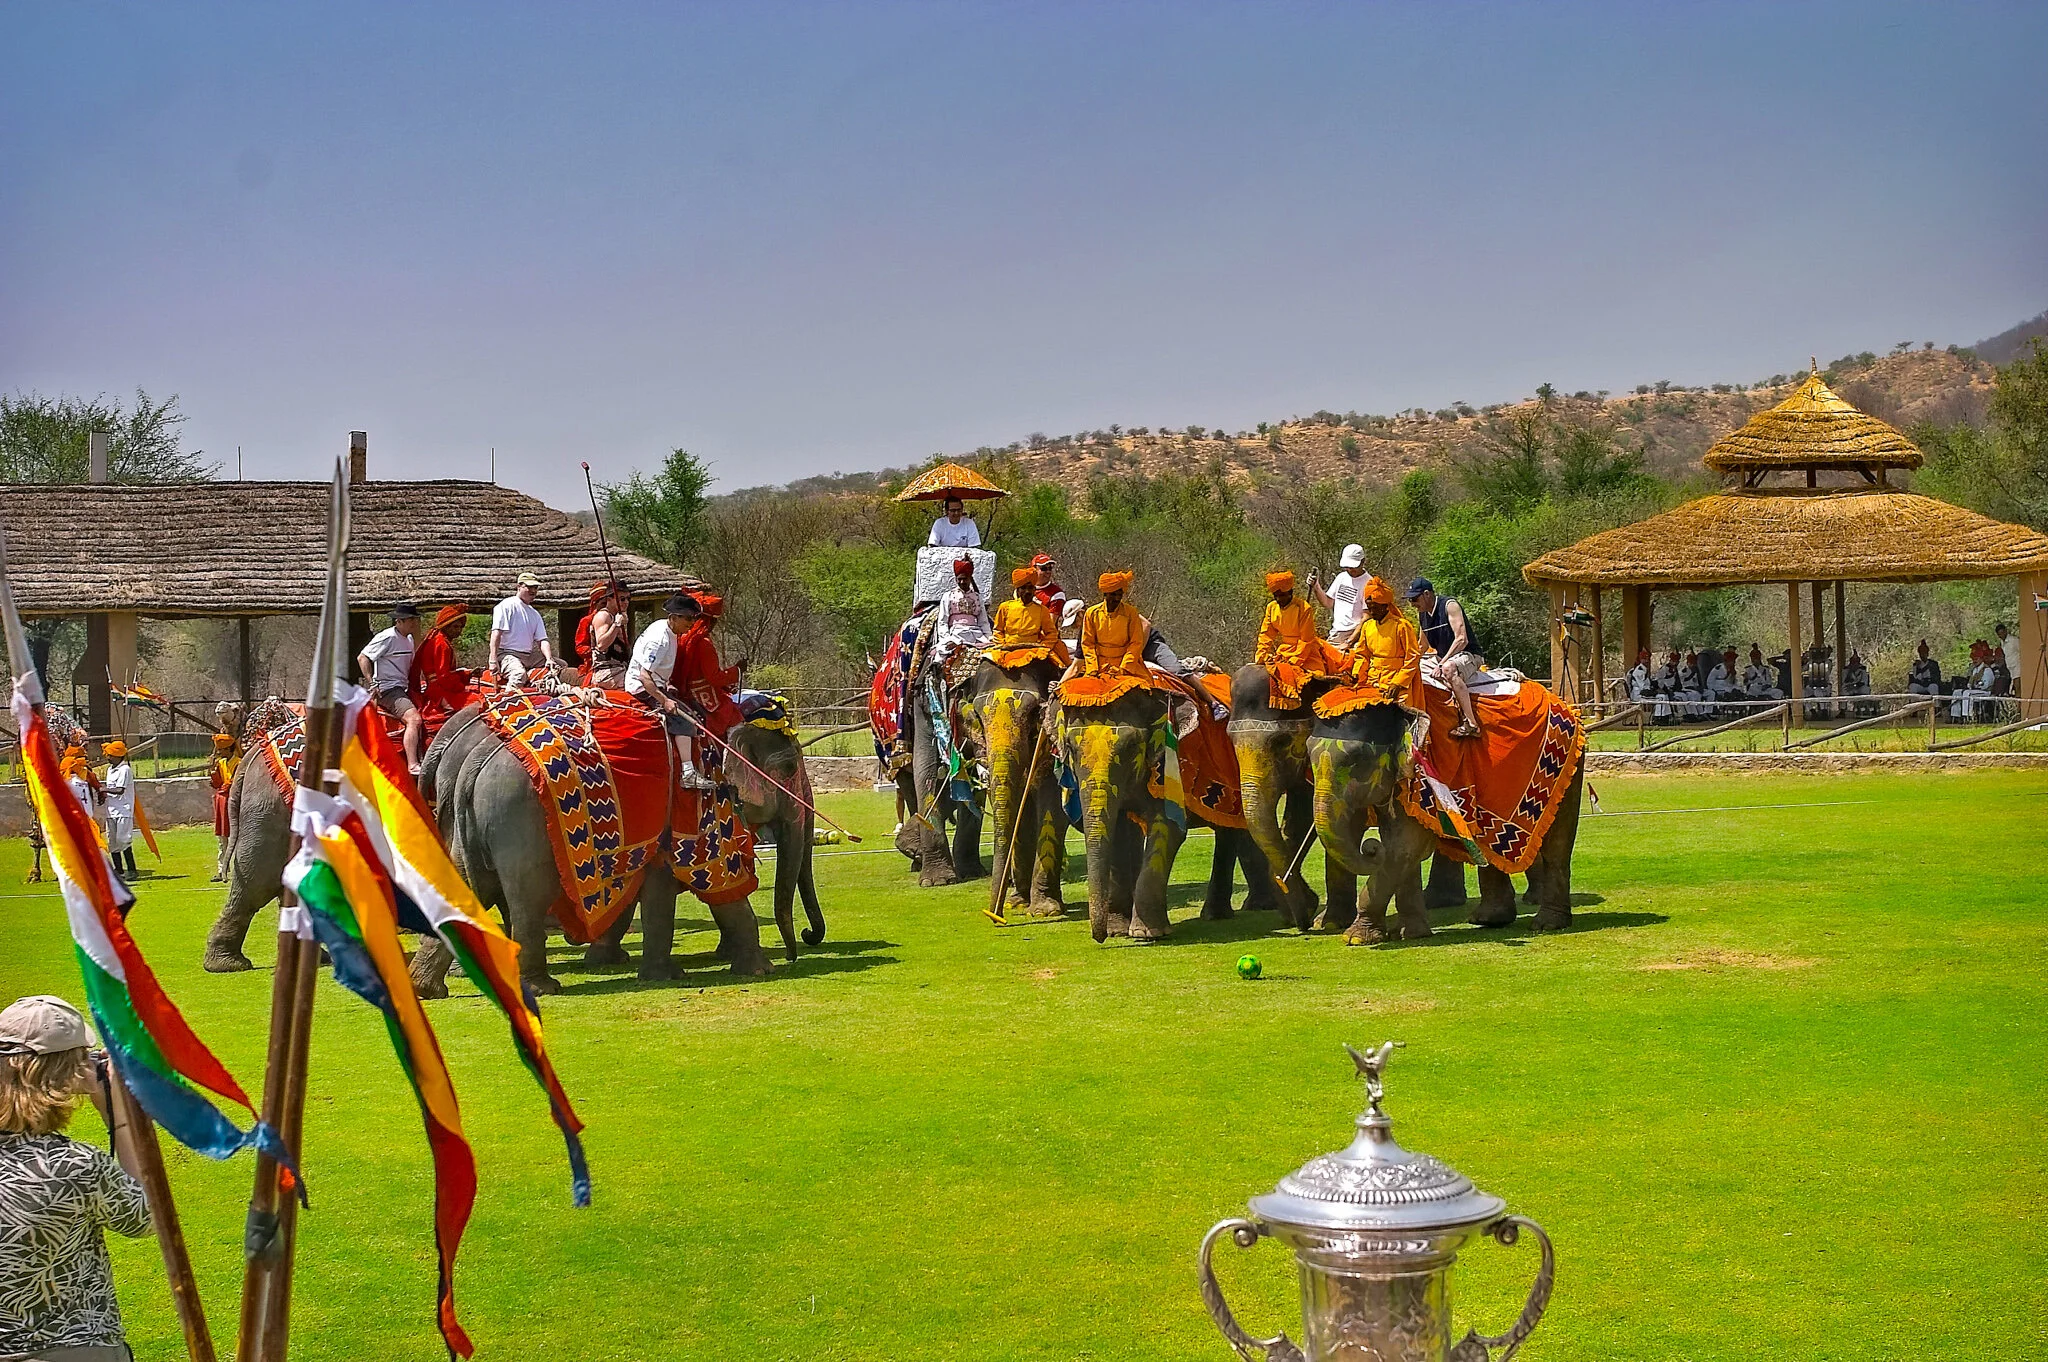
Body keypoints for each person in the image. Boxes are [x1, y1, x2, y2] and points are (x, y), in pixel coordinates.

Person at [0, 994, 153, 1362]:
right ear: (68, 1073)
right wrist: (116, 1111)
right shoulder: (74, 1166)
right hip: (73, 1347)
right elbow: (147, 1217)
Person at [628, 593, 717, 791]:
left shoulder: (669, 631)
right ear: (674, 617)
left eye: (694, 618)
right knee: (682, 719)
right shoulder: (660, 640)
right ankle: (688, 773)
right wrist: (664, 700)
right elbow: (644, 676)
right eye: (687, 618)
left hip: (657, 682)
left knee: (693, 710)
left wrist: (666, 685)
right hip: (642, 686)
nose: (691, 623)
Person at [1406, 578, 1482, 739]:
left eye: (1414, 599)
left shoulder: (1450, 606)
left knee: (1448, 669)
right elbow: (1422, 646)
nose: (1412, 604)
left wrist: (1441, 664)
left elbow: (1462, 639)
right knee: (1413, 670)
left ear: (1427, 594)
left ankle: (1472, 723)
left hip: (1468, 654)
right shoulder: (1422, 615)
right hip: (1441, 657)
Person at [1256, 570, 1341, 707]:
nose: (1279, 599)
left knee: (1317, 677)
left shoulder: (1304, 608)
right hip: (1284, 649)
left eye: (1282, 595)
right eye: (1276, 596)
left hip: (1307, 652)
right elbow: (1266, 634)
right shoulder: (1271, 608)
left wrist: (1295, 660)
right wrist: (1261, 653)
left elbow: (1306, 640)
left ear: (1290, 592)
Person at [358, 603, 425, 774]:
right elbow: (363, 657)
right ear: (399, 621)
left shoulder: (408, 639)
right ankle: (412, 764)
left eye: (415, 619)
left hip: (404, 687)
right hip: (389, 689)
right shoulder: (387, 637)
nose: (414, 623)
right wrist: (372, 682)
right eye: (411, 620)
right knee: (414, 719)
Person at [1345, 577, 1421, 708]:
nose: (1372, 612)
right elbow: (1362, 655)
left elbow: (1413, 657)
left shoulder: (1402, 626)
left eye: (1375, 607)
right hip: (1372, 679)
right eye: (1369, 608)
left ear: (1386, 606)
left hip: (1397, 682)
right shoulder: (1367, 626)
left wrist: (1398, 683)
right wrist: (1357, 673)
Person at [986, 567, 1070, 667]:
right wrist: (1002, 644)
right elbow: (998, 630)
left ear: (1034, 590)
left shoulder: (1042, 610)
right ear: (1018, 590)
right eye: (1023, 588)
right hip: (1007, 648)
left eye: (1030, 588)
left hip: (1034, 648)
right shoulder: (1005, 607)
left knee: (1059, 664)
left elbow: (1051, 633)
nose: (1027, 591)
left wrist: (1044, 646)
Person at [488, 572, 555, 686]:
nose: (533, 591)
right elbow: (496, 634)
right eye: (529, 587)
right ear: (519, 587)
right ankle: (507, 700)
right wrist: (493, 660)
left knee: (561, 665)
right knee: (518, 674)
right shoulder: (506, 605)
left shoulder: (534, 614)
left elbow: (542, 640)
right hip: (507, 654)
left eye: (535, 587)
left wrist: (549, 658)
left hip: (528, 656)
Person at [410, 605, 472, 723]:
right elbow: (443, 677)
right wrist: (462, 687)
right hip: (438, 690)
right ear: (446, 627)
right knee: (474, 704)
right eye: (455, 627)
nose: (458, 630)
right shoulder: (441, 644)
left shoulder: (441, 641)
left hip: (439, 686)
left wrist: (466, 674)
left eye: (460, 627)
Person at [1308, 544, 1373, 650]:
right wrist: (1316, 586)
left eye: (1353, 567)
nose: (1350, 570)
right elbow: (1328, 603)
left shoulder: (1369, 583)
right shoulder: (1341, 577)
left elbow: (1366, 617)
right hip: (1337, 632)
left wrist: (1349, 642)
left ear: (1363, 561)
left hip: (1354, 634)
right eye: (1348, 567)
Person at [575, 580, 633, 689]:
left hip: (621, 668)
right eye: (622, 599)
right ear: (609, 599)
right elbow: (601, 645)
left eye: (628, 599)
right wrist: (616, 624)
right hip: (607, 671)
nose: (626, 602)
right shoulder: (603, 617)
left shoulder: (618, 617)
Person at [932, 557, 992, 663]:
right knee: (940, 657)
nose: (962, 582)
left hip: (976, 635)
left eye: (965, 579)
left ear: (970, 578)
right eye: (959, 579)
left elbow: (983, 621)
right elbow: (942, 621)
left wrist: (989, 638)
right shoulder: (948, 596)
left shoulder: (977, 597)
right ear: (956, 579)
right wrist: (947, 639)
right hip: (955, 634)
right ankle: (933, 678)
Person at [99, 741, 138, 882]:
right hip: (111, 811)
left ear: (117, 756)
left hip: (123, 810)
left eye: (110, 755)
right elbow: (110, 790)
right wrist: (102, 795)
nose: (107, 758)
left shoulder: (125, 770)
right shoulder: (110, 770)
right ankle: (119, 870)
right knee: (112, 842)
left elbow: (120, 790)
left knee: (123, 840)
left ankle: (132, 870)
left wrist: (103, 789)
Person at [208, 732, 238, 883]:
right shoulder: (220, 764)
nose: (219, 753)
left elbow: (232, 784)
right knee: (222, 839)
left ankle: (238, 871)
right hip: (221, 803)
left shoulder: (238, 763)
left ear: (229, 749)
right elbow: (217, 784)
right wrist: (213, 773)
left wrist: (223, 787)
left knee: (235, 838)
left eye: (221, 750)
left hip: (233, 803)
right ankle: (221, 870)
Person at [1028, 553, 1067, 618]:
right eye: (1044, 568)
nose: (1048, 571)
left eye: (1050, 568)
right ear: (1034, 569)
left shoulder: (1057, 594)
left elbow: (1051, 624)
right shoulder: (1025, 589)